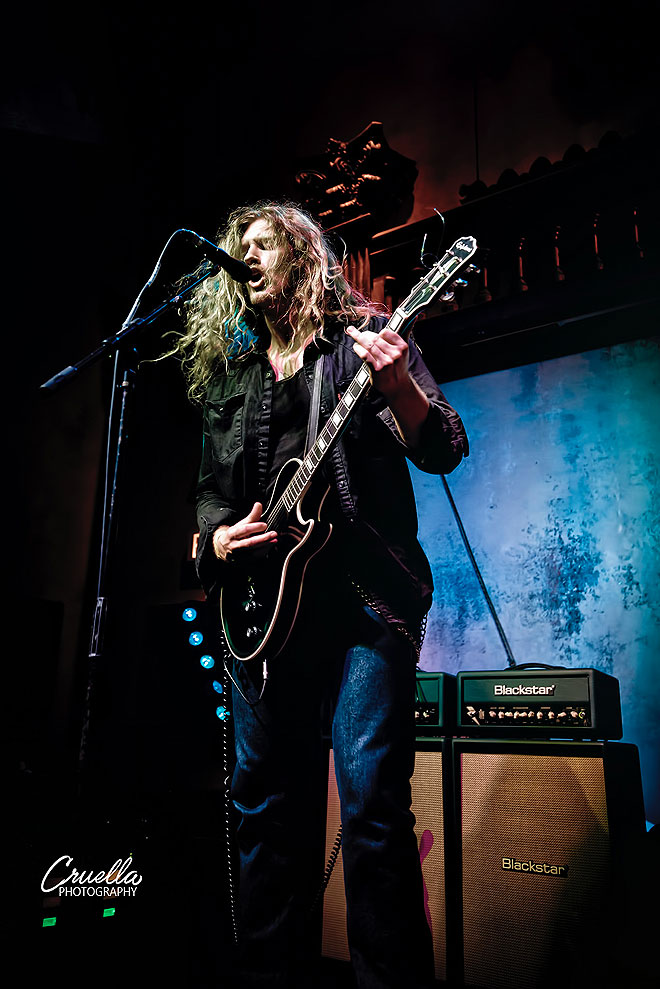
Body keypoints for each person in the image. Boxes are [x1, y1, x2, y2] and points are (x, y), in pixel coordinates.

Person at [175, 201, 468, 988]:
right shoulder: (232, 376)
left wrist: (399, 386)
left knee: (370, 806)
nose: (249, 257)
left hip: (364, 602)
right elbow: (209, 494)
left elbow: (445, 444)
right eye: (240, 248)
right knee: (267, 811)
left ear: (303, 257)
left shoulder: (362, 341)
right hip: (264, 614)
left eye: (265, 245)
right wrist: (216, 540)